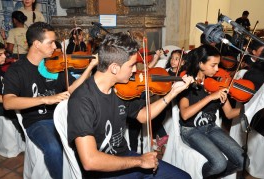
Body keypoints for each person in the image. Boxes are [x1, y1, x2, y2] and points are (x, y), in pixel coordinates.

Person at [67, 32, 193, 178]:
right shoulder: (82, 100)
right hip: (102, 171)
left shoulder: (122, 89)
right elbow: (90, 161)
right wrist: (139, 161)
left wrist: (172, 93)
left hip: (125, 158)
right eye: (132, 65)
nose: (135, 70)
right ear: (114, 68)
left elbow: (143, 116)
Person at [3, 22, 98, 179]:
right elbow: (8, 102)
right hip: (38, 121)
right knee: (53, 148)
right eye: (51, 42)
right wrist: (45, 99)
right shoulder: (17, 70)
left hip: (63, 116)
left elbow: (71, 89)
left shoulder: (54, 65)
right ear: (37, 44)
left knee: (90, 137)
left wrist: (90, 68)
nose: (55, 46)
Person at [178, 44, 249, 178]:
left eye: (218, 64)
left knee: (243, 161)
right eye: (213, 65)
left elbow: (229, 113)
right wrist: (210, 97)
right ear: (200, 64)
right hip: (190, 130)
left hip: (211, 127)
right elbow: (185, 114)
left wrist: (248, 109)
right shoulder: (187, 83)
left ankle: (210, 176)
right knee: (219, 164)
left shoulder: (217, 83)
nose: (217, 69)